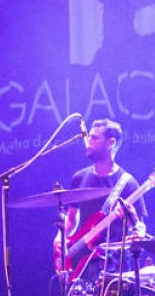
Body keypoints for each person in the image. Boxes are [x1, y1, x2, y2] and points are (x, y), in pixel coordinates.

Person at [55, 118, 148, 279]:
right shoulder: (79, 177)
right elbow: (71, 219)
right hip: (81, 258)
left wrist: (137, 232)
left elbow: (140, 227)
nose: (88, 141)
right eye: (89, 136)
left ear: (111, 142)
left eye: (95, 138)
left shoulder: (127, 182)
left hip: (115, 264)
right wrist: (60, 239)